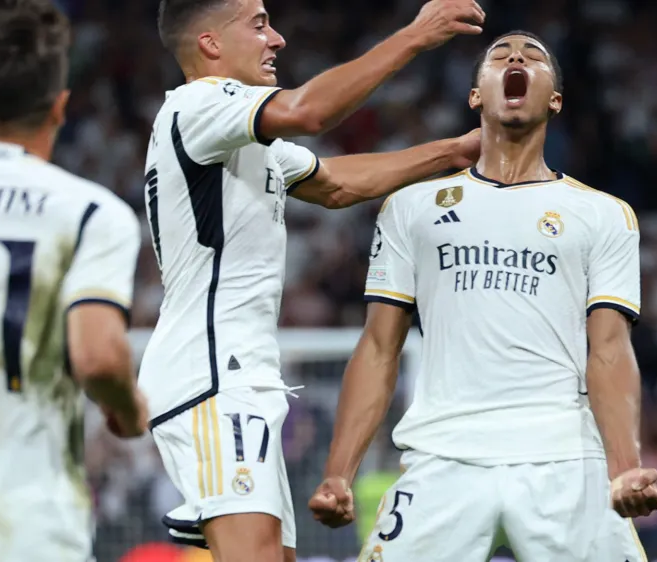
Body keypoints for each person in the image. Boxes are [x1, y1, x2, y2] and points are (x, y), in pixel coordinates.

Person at [139, 0, 485, 561]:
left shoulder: (237, 136)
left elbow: (335, 185)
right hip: (212, 376)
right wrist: (416, 36)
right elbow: (308, 111)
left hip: (235, 375)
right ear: (209, 44)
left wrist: (454, 151)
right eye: (257, 24)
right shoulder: (202, 102)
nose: (276, 39)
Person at [308, 31, 657, 562]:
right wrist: (339, 472)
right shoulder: (411, 208)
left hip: (566, 461)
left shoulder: (605, 215)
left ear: (555, 100)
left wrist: (625, 465)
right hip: (444, 459)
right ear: (476, 95)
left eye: (533, 56)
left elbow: (610, 351)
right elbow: (380, 347)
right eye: (500, 55)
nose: (516, 57)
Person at [0, 4, 146, 562]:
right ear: (60, 108)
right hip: (26, 525)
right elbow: (99, 359)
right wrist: (129, 410)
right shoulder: (92, 211)